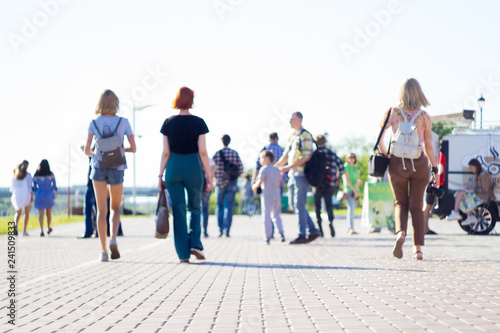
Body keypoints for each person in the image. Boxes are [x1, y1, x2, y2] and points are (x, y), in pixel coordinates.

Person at [377, 78, 438, 261]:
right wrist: (434, 168)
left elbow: (379, 139)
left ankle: (400, 234)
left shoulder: (393, 112)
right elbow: (428, 145)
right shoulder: (424, 116)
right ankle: (417, 249)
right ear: (418, 92)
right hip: (418, 164)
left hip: (397, 163)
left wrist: (386, 156)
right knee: (416, 207)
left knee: (401, 203)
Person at [159, 86, 212, 263]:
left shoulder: (168, 122)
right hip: (193, 167)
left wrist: (160, 175)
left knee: (179, 211)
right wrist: (209, 175)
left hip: (173, 167)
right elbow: (203, 152)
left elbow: (165, 152)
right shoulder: (199, 122)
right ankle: (195, 244)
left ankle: (183, 254)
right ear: (191, 100)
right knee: (195, 207)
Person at [85, 89, 136, 262]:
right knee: (115, 208)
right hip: (118, 167)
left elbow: (87, 151)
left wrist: (99, 152)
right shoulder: (123, 122)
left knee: (101, 210)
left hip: (98, 167)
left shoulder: (93, 122)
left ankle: (103, 251)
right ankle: (113, 238)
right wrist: (120, 150)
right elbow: (133, 148)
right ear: (115, 103)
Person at [275, 112, 321, 244]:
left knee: (299, 205)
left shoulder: (305, 135)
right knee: (294, 205)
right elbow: (285, 156)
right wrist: (274, 168)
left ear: (299, 119)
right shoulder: (292, 136)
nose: (290, 121)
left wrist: (287, 167)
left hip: (301, 175)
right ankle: (313, 230)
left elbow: (306, 157)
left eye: (292, 119)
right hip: (292, 175)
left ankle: (303, 234)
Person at [313, 135, 344, 238]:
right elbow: (341, 166)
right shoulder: (331, 153)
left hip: (317, 185)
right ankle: (330, 221)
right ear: (325, 142)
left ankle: (320, 229)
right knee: (329, 205)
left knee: (318, 207)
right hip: (330, 183)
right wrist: (337, 178)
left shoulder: (315, 154)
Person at [446, 158, 493, 227]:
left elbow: (485, 190)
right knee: (460, 193)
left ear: (476, 166)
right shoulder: (481, 174)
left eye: (471, 168)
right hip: (480, 195)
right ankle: (469, 216)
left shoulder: (484, 175)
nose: (471, 170)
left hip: (483, 197)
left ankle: (457, 212)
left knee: (461, 193)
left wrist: (472, 189)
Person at [213, 134, 243, 237]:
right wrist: (234, 176)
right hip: (232, 182)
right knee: (229, 207)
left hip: (220, 183)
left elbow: (211, 167)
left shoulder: (217, 154)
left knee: (219, 206)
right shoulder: (234, 153)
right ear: (229, 141)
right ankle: (227, 231)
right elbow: (241, 168)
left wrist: (216, 176)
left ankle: (220, 230)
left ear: (222, 141)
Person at [252, 150, 284, 244]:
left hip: (267, 196)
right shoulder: (277, 169)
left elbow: (260, 181)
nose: (260, 160)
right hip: (277, 195)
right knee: (277, 215)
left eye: (262, 158)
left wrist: (254, 186)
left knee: (266, 216)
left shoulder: (264, 169)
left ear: (267, 158)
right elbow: (279, 182)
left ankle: (267, 237)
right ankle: (281, 233)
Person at [33, 159, 57, 237]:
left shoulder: (36, 174)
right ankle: (48, 227)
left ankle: (41, 230)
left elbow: (33, 187)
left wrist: (37, 190)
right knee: (48, 213)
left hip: (39, 194)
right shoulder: (50, 174)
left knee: (41, 214)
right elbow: (54, 185)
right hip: (48, 194)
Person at [10, 160, 33, 236]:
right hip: (25, 195)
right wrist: (32, 197)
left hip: (16, 195)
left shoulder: (14, 176)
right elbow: (30, 188)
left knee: (18, 213)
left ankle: (15, 224)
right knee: (26, 213)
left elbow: (12, 189)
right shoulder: (28, 176)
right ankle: (24, 230)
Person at [342, 153, 361, 235]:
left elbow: (359, 178)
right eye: (350, 157)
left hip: (356, 190)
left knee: (353, 210)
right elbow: (347, 180)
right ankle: (350, 228)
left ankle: (352, 227)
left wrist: (359, 182)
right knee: (350, 210)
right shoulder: (346, 166)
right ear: (347, 158)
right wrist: (354, 190)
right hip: (350, 190)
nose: (351, 158)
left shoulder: (355, 168)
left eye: (353, 157)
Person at [202, 157, 215, 238]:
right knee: (205, 208)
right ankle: (205, 231)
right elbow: (212, 174)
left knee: (194, 208)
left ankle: (195, 231)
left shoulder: (195, 157)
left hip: (195, 185)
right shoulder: (209, 160)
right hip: (206, 185)